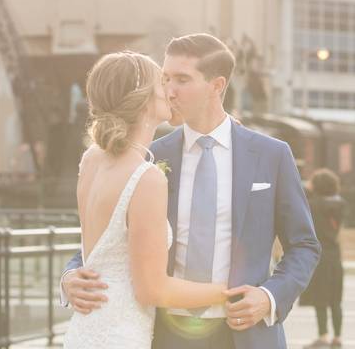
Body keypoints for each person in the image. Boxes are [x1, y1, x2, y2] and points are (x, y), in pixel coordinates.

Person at [61, 34, 321, 349]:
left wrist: (269, 297)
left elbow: (304, 245)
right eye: (165, 78)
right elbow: (113, 238)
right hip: (164, 335)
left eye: (182, 80)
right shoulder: (147, 159)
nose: (170, 91)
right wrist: (72, 276)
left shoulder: (272, 155)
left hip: (247, 333)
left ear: (217, 85)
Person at [62, 51, 228, 348]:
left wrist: (68, 278)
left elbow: (100, 248)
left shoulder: (91, 160)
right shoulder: (146, 178)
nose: (169, 90)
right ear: (143, 99)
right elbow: (152, 290)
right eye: (162, 82)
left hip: (84, 331)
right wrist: (228, 292)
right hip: (120, 335)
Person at [300, 169, 345, 347]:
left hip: (319, 256)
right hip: (335, 255)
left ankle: (323, 335)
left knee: (320, 298)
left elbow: (300, 194)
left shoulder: (313, 205)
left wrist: (309, 187)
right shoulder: (341, 205)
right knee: (336, 299)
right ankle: (338, 337)